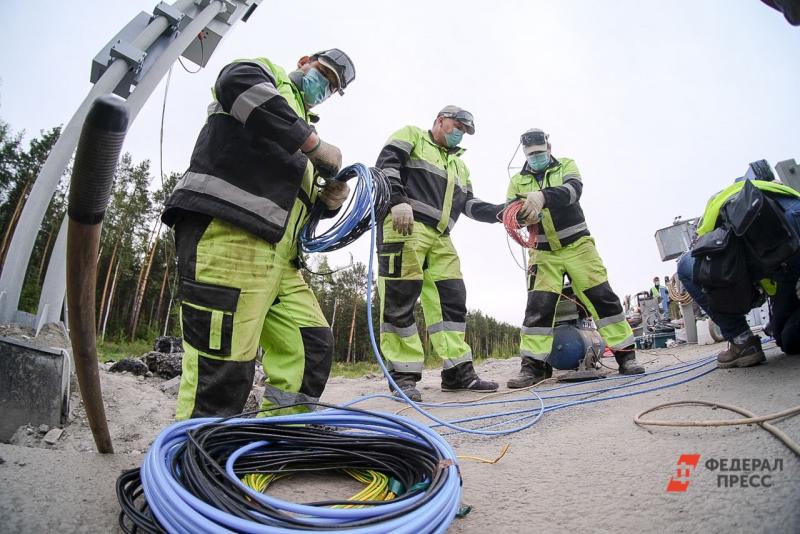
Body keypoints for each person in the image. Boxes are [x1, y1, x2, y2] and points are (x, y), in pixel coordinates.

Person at [161, 49, 357, 419]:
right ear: (304, 61)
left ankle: (278, 436)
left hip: (282, 259)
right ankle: (192, 458)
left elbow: (295, 203)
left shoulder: (301, 128)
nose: (325, 88)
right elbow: (235, 81)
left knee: (310, 344)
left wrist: (327, 202)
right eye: (324, 75)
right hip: (230, 233)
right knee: (224, 364)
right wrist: (312, 144)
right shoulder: (266, 76)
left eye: (333, 87)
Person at [374, 106, 503, 401]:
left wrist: (500, 212)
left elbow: (469, 204)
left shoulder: (460, 166)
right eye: (456, 125)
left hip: (441, 236)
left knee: (452, 301)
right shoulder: (412, 136)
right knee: (400, 297)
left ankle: (457, 372)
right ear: (440, 121)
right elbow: (387, 163)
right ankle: (403, 376)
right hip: (404, 224)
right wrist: (396, 199)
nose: (460, 133)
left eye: (465, 131)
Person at [505, 128, 645, 388]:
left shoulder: (566, 165)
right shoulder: (517, 182)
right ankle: (534, 368)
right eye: (531, 153)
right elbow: (510, 212)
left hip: (578, 246)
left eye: (540, 152)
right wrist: (522, 217)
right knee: (538, 309)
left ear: (549, 147)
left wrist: (543, 197)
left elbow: (572, 191)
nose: (536, 157)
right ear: (524, 153)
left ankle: (626, 357)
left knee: (602, 298)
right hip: (543, 252)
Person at [677, 179, 800, 368]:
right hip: (786, 238)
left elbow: (705, 254)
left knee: (686, 266)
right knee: (788, 338)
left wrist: (776, 324)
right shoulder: (779, 189)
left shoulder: (717, 207)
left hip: (778, 245)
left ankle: (742, 340)